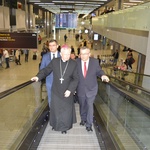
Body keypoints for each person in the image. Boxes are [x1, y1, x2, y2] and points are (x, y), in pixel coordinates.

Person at [31, 46, 79, 134]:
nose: (67, 56)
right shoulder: (55, 61)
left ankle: (64, 127)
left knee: (66, 110)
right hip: (56, 90)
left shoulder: (73, 64)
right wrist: (38, 76)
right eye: (65, 54)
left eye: (69, 54)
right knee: (56, 109)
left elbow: (76, 79)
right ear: (61, 54)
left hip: (67, 91)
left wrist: (70, 90)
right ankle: (55, 125)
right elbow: (46, 70)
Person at [76, 47, 109, 132]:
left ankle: (89, 124)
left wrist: (103, 75)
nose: (83, 56)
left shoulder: (94, 62)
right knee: (82, 105)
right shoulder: (76, 62)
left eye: (85, 54)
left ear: (89, 54)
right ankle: (83, 119)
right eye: (81, 54)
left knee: (90, 106)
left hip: (91, 88)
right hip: (80, 88)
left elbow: (99, 71)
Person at [40, 39, 60, 108]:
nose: (51, 47)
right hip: (49, 81)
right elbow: (42, 69)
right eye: (50, 45)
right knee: (50, 98)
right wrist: (38, 77)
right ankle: (52, 113)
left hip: (60, 81)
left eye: (53, 45)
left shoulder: (62, 55)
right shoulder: (45, 57)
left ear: (57, 46)